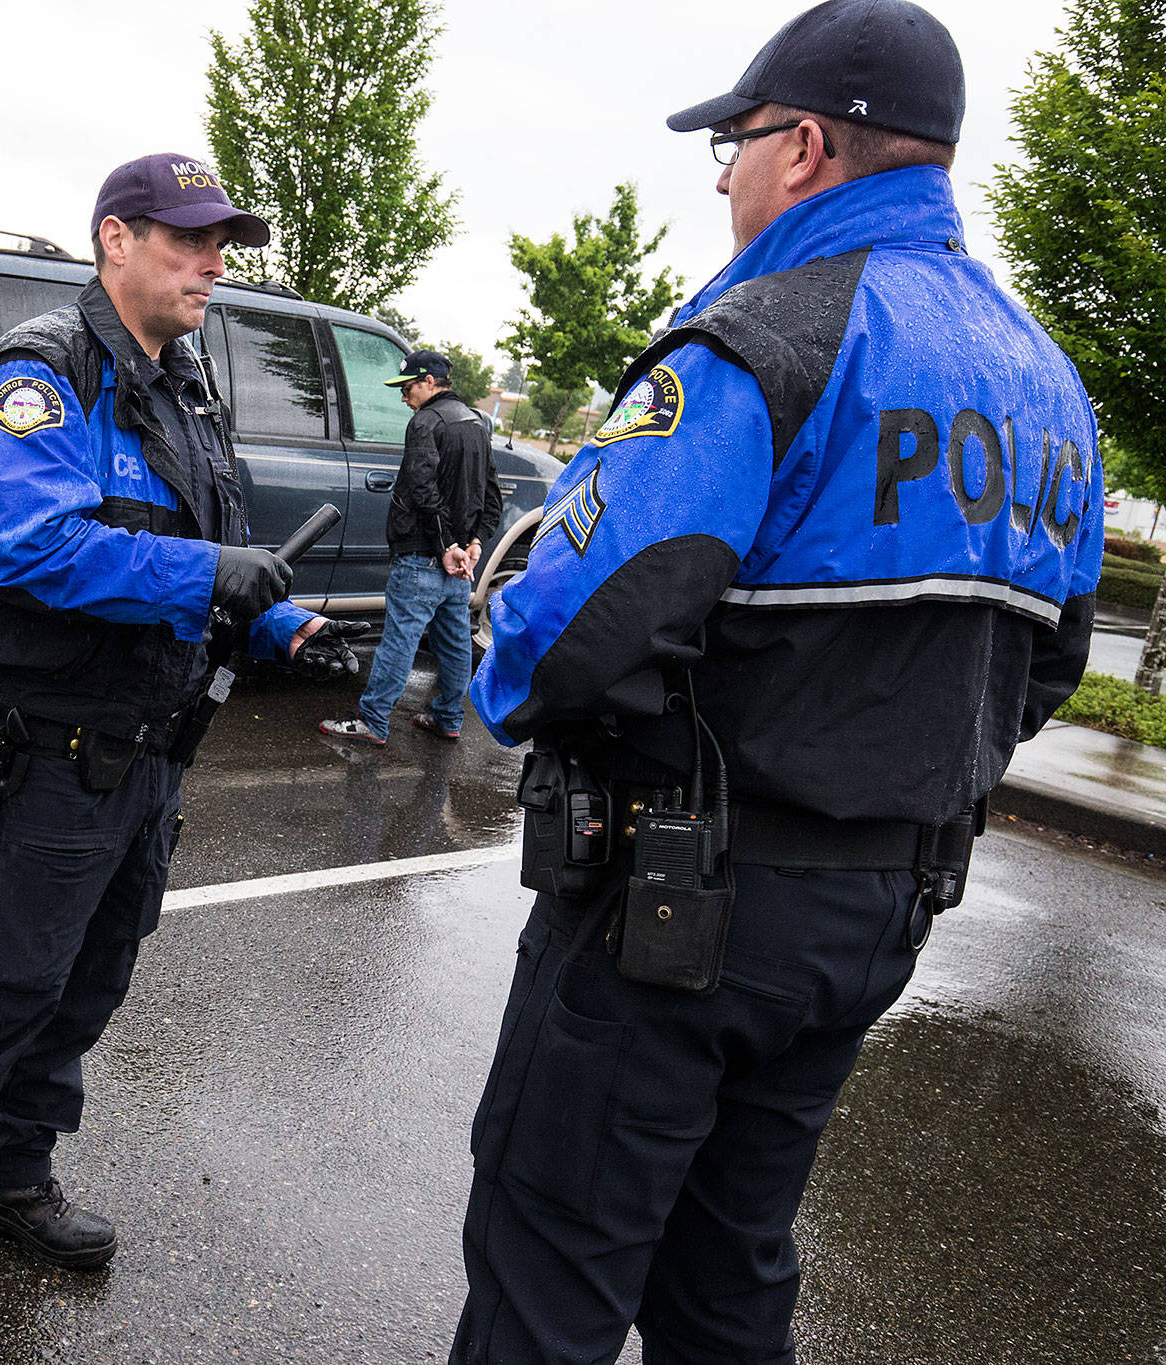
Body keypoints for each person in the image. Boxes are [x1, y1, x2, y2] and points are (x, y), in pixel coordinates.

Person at [453, 2, 1103, 1361]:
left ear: (802, 146)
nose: (728, 177)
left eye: (734, 147)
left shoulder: (770, 340)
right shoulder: (1048, 387)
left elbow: (575, 627)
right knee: (728, 1269)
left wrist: (495, 663)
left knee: (548, 1270)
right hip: (877, 912)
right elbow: (1045, 664)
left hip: (676, 910)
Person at [0, 152, 366, 1365]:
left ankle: (10, 1177)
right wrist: (207, 576)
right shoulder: (40, 377)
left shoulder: (181, 384)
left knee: (83, 990)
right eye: (189, 241)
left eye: (220, 244)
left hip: (147, 758)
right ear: (115, 241)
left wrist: (270, 617)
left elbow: (216, 546)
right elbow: (36, 549)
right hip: (48, 758)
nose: (212, 264)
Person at [319, 349, 498, 745]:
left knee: (399, 641)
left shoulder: (425, 423)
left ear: (430, 383)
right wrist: (474, 544)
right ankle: (449, 717)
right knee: (454, 645)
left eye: (408, 387)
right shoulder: (476, 424)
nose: (404, 397)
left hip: (424, 556)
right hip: (458, 566)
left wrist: (446, 544)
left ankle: (373, 721)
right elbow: (492, 496)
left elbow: (422, 489)